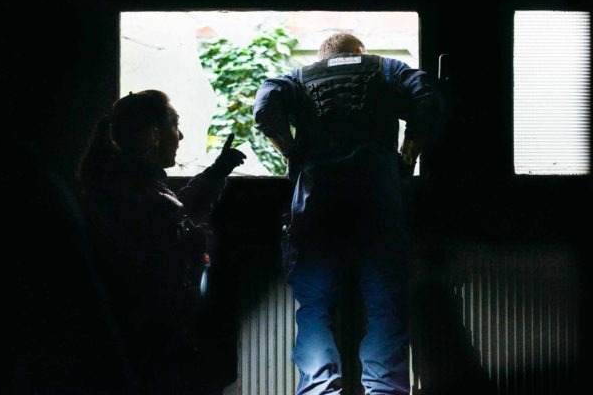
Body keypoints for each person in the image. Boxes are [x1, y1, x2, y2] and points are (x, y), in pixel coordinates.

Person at [253, 32, 443, 395]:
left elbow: (264, 107)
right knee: (385, 305)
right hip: (377, 202)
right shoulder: (386, 70)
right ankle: (386, 390)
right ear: (359, 52)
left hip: (316, 207)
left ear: (323, 56)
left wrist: (291, 151)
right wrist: (408, 154)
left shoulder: (298, 78)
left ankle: (320, 389)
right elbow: (426, 96)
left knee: (314, 308)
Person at [78, 89, 246, 395]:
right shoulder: (135, 194)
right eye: (174, 125)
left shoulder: (128, 184)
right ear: (154, 134)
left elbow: (176, 212)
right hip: (155, 344)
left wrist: (218, 171)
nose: (180, 136)